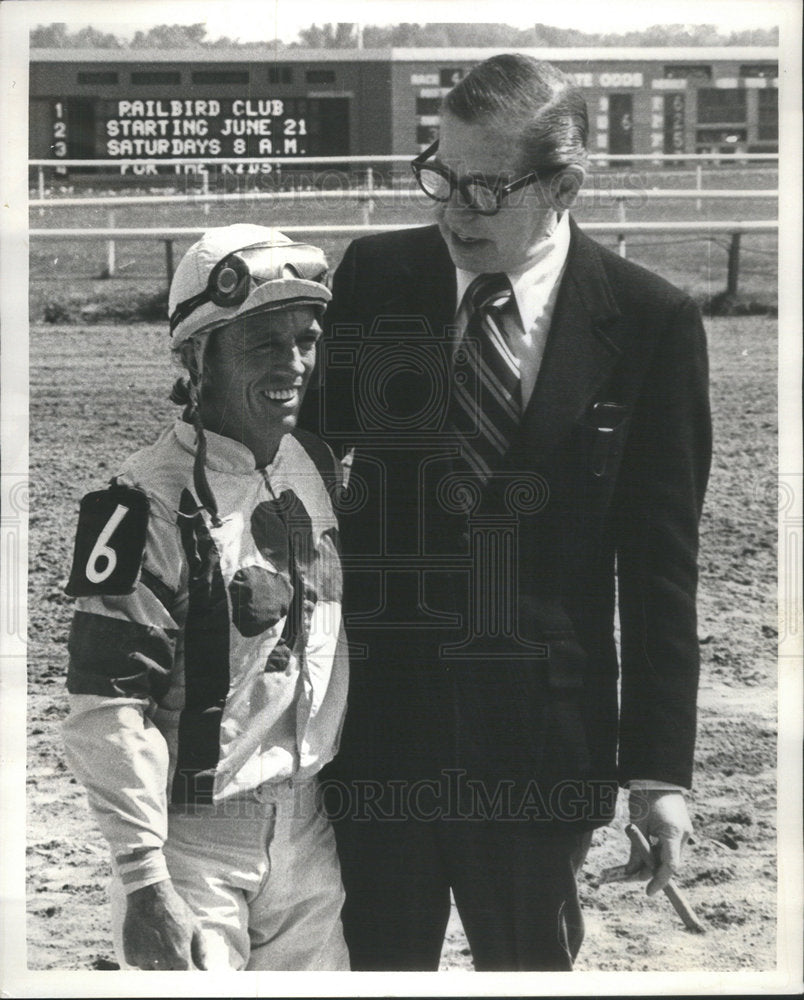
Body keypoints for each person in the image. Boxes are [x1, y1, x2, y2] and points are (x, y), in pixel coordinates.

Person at [299, 54, 712, 971]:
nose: (453, 209)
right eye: (441, 176)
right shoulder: (374, 276)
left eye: (487, 188)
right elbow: (308, 479)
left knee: (528, 973)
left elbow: (658, 575)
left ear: (564, 185)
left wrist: (658, 775)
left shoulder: (651, 323)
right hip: (378, 739)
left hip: (541, 753)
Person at [62, 224, 349, 971]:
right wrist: (144, 877)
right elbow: (108, 706)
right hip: (192, 845)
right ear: (197, 358)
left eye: (305, 339)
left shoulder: (310, 461)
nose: (294, 365)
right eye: (262, 345)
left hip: (309, 832)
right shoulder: (137, 503)